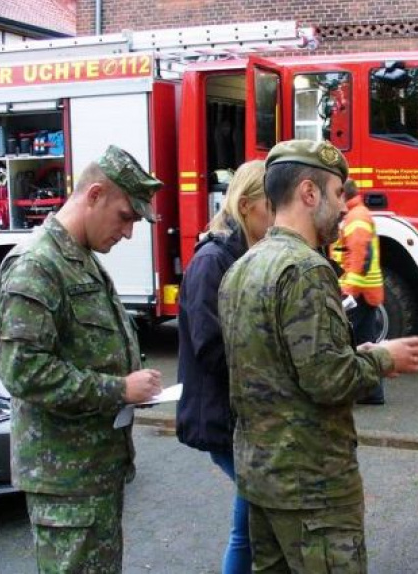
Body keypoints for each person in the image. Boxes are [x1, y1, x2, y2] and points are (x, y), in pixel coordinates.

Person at [218, 139, 418, 573]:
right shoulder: (307, 269)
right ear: (308, 193)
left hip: (262, 480)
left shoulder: (243, 266)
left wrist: (353, 354)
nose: (343, 206)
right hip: (313, 489)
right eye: (337, 193)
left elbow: (278, 364)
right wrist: (383, 359)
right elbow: (328, 380)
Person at [0, 145, 164, 573]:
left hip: (91, 473)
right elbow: (23, 370)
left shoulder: (79, 259)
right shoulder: (37, 265)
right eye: (125, 216)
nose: (128, 233)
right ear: (94, 195)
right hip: (65, 480)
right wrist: (119, 389)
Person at [176, 160, 270, 574]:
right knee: (248, 521)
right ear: (246, 205)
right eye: (271, 205)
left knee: (250, 518)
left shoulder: (244, 254)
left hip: (236, 414)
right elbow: (210, 346)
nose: (277, 215)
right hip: (219, 416)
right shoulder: (212, 261)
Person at [329, 179, 386, 405]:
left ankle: (367, 392)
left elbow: (358, 259)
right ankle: (371, 393)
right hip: (365, 292)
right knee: (365, 342)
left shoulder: (355, 218)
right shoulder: (357, 215)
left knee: (350, 343)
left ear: (343, 195)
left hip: (358, 294)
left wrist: (347, 294)